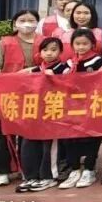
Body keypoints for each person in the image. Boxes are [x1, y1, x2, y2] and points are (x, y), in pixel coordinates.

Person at [0, 9, 43, 187]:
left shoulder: (44, 42)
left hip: (35, 96)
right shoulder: (5, 43)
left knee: (31, 134)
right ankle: (1, 170)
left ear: (37, 23)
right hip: (6, 96)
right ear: (15, 23)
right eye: (22, 20)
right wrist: (19, 75)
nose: (27, 24)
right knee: (0, 134)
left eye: (31, 20)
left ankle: (28, 168)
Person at [16, 37, 70, 193]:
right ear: (39, 53)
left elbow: (70, 86)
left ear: (60, 52)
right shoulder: (36, 69)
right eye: (45, 50)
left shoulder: (64, 68)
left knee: (49, 145)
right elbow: (20, 79)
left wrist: (54, 78)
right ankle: (31, 176)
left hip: (53, 113)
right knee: (29, 143)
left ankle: (48, 177)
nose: (49, 53)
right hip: (34, 113)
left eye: (53, 50)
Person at [58, 28, 102, 189]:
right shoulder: (69, 63)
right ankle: (75, 169)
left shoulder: (97, 61)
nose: (81, 47)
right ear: (72, 45)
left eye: (85, 44)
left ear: (92, 44)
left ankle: (89, 169)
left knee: (91, 137)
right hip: (71, 106)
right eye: (77, 44)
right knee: (70, 137)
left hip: (91, 105)